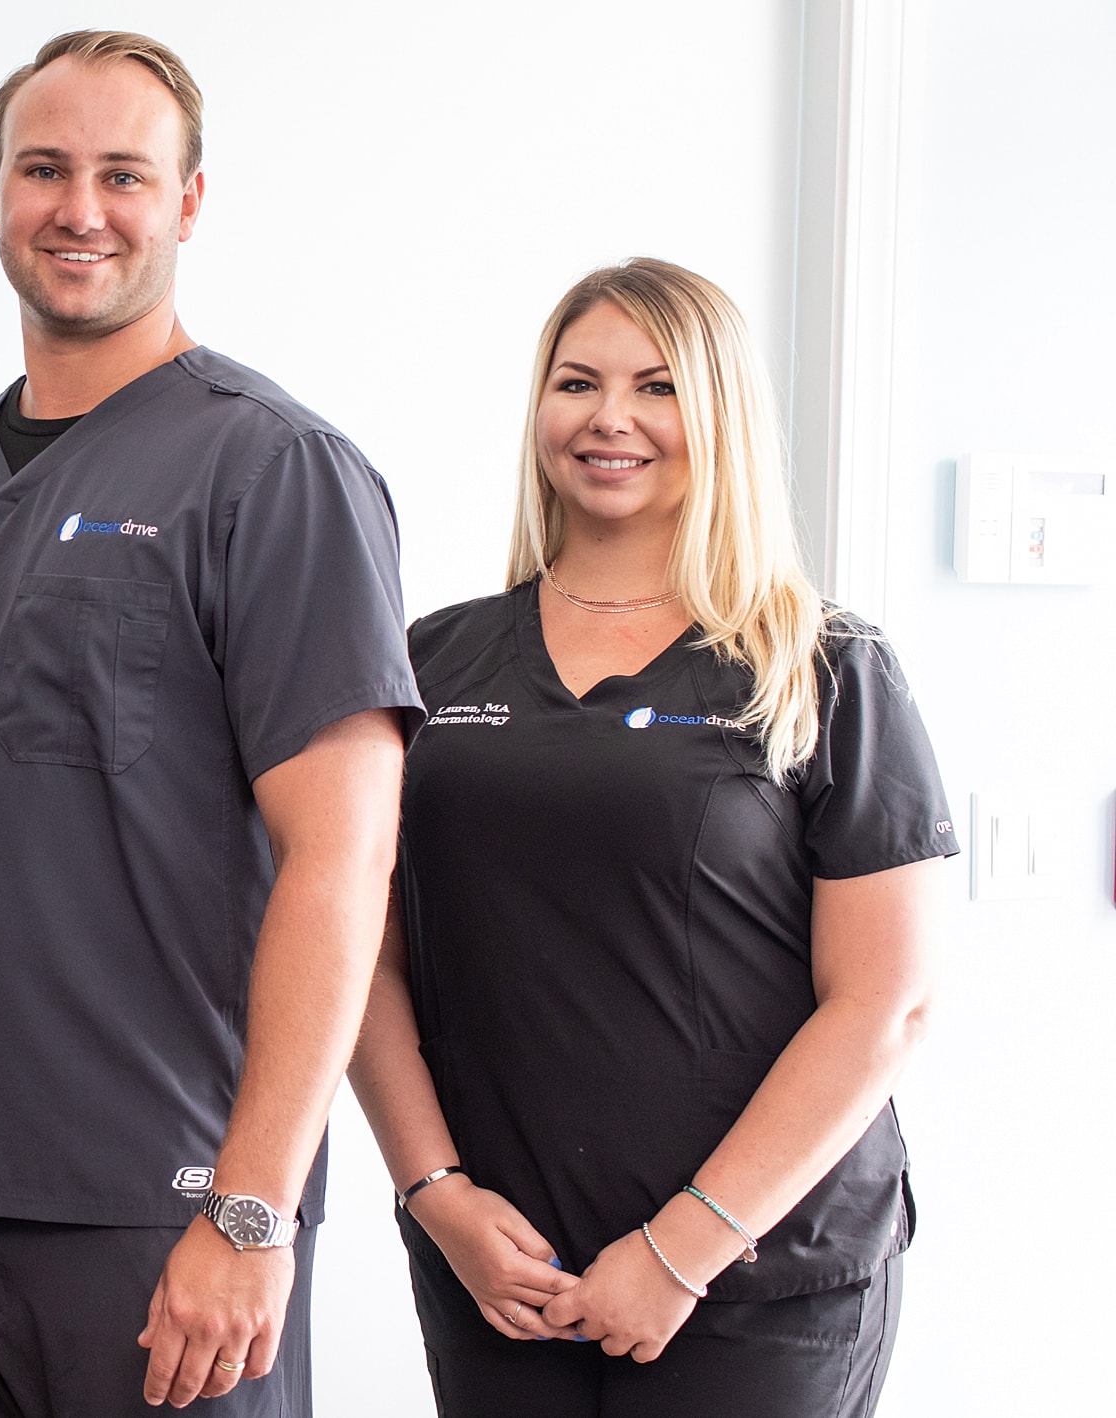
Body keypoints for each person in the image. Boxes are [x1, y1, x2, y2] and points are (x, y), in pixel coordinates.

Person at [0, 30, 420, 1418]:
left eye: (123, 175)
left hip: (165, 1209)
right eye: (43, 169)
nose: (79, 208)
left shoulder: (276, 471)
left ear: (187, 202)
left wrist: (252, 1206)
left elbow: (343, 858)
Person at [345, 258, 953, 1418]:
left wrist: (681, 1247)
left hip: (757, 1279)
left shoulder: (821, 666)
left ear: (718, 413)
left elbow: (886, 1002)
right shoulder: (429, 662)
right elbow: (359, 958)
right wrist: (434, 1192)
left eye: (656, 386)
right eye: (575, 382)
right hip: (500, 1273)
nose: (608, 416)